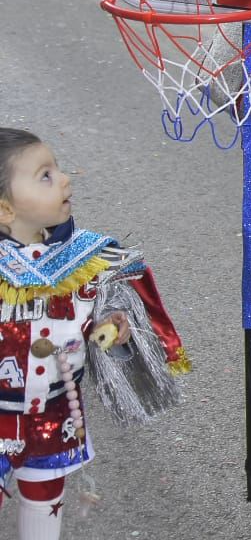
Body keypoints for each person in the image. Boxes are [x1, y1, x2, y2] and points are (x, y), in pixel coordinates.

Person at [0, 129, 187, 540]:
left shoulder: (82, 261)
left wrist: (114, 324)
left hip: (55, 409)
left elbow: (96, 312)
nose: (64, 179)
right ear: (6, 210)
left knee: (46, 491)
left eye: (58, 169)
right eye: (45, 175)